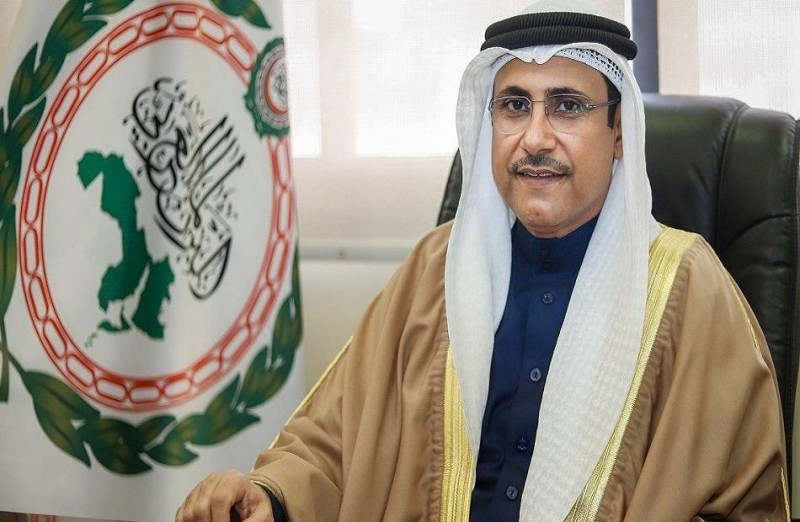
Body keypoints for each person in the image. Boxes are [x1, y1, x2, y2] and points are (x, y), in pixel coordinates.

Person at [176, 0, 790, 520]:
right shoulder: (436, 269)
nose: (536, 138)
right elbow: (332, 441)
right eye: (515, 106)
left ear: (620, 134)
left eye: (567, 106)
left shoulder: (687, 289)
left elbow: (743, 503)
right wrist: (268, 496)